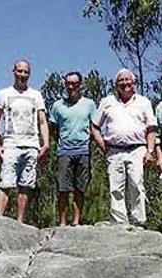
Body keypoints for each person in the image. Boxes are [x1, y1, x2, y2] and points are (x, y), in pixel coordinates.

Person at [90, 69, 157, 225]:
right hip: (114, 150)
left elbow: (152, 128)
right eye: (121, 80)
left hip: (137, 149)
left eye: (128, 80)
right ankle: (120, 223)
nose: (125, 83)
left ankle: (139, 222)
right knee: (116, 188)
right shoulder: (107, 102)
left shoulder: (143, 102)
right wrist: (102, 145)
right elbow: (94, 126)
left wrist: (150, 151)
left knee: (137, 185)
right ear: (116, 84)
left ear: (134, 82)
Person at [0, 60, 48, 225]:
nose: (22, 75)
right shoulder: (4, 93)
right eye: (20, 71)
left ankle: (20, 222)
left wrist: (45, 144)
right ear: (14, 72)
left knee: (26, 185)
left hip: (31, 145)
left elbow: (42, 121)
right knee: (6, 183)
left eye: (26, 72)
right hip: (10, 144)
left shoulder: (35, 95)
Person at [49, 71, 97, 226]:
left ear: (80, 85)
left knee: (80, 188)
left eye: (74, 84)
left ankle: (76, 220)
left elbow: (94, 127)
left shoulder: (89, 104)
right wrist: (61, 141)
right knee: (63, 188)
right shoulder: (57, 106)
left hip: (83, 150)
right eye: (68, 84)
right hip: (64, 151)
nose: (71, 87)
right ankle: (62, 221)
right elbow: (53, 128)